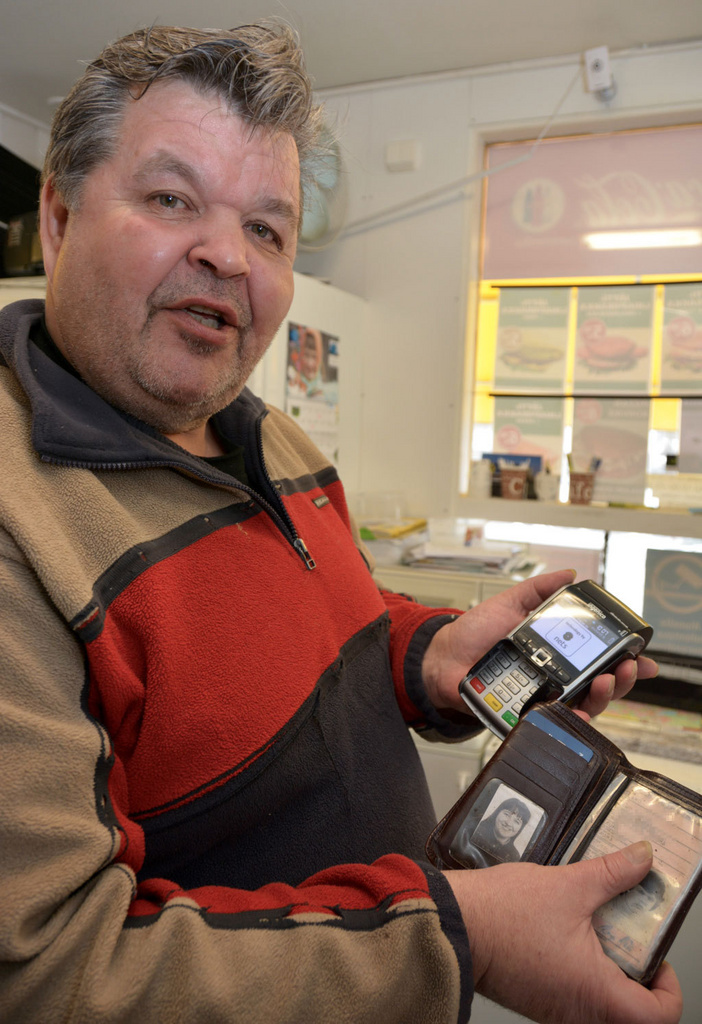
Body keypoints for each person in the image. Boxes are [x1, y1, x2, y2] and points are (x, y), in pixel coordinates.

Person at [0, 21, 682, 1024]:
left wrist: (427, 653)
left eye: (267, 230)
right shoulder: (18, 530)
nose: (226, 255)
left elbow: (324, 606)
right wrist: (464, 936)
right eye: (172, 199)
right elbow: (53, 973)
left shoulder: (269, 432)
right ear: (58, 219)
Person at [471, 795, 532, 864]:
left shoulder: (514, 857)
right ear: (496, 813)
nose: (508, 823)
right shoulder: (475, 831)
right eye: (506, 814)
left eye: (516, 821)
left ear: (520, 829)